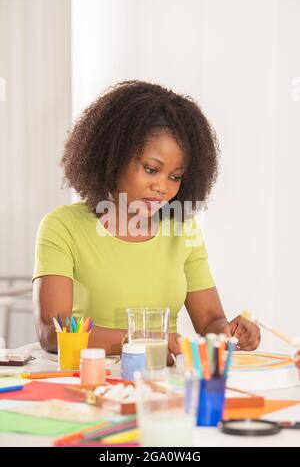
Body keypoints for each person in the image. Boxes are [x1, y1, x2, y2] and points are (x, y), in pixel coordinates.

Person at [32, 80, 260, 364]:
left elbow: (211, 322)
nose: (163, 187)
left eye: (175, 177)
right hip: (89, 381)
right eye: (152, 169)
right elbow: (52, 332)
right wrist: (140, 341)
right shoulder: (63, 226)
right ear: (113, 157)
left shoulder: (183, 230)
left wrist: (228, 333)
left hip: (163, 384)